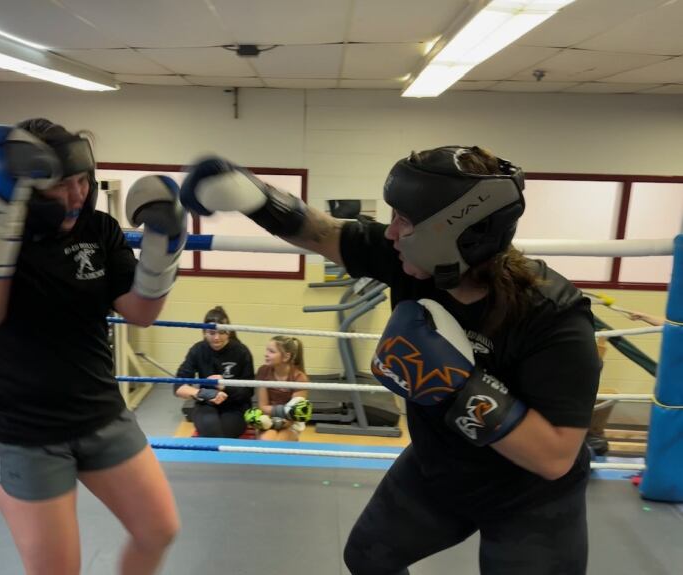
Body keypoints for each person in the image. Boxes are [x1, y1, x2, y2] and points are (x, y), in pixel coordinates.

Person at [180, 147, 601, 575]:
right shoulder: (408, 262)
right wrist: (251, 195)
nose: (391, 234)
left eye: (405, 220)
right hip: (439, 469)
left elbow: (554, 456)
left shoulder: (552, 317)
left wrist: (455, 385)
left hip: (530, 498)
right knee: (368, 559)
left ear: (454, 233)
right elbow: (319, 232)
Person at [0, 119, 185, 575]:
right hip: (24, 431)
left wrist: (162, 250)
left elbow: (140, 312)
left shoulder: (98, 229)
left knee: (159, 529)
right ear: (26, 188)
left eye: (83, 181)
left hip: (100, 413)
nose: (77, 196)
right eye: (61, 185)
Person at [174, 306, 255, 438]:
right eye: (212, 333)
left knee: (227, 431)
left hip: (235, 405)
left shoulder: (241, 351)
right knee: (210, 430)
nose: (217, 338)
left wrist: (224, 386)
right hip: (206, 403)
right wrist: (201, 393)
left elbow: (249, 391)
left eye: (222, 332)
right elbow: (178, 386)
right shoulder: (197, 350)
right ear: (204, 332)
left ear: (228, 332)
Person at [245, 336, 312, 441]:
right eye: (267, 350)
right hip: (267, 419)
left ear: (286, 357)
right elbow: (263, 406)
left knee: (280, 443)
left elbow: (295, 414)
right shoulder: (263, 371)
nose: (266, 354)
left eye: (271, 351)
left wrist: (283, 420)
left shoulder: (299, 377)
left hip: (290, 423)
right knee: (267, 442)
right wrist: (274, 420)